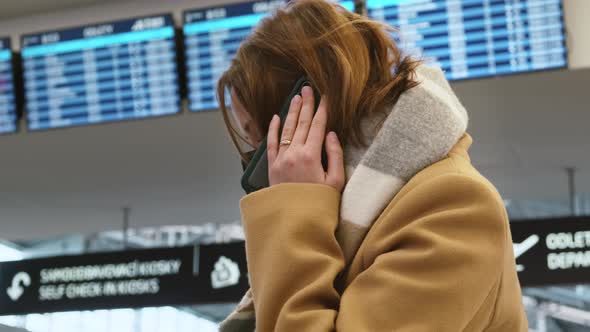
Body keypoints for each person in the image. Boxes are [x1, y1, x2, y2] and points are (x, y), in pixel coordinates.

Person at [216, 1, 528, 331]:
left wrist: (293, 209)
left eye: (262, 143)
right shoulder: (348, 219)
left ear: (310, 118)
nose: (267, 168)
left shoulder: (455, 207)